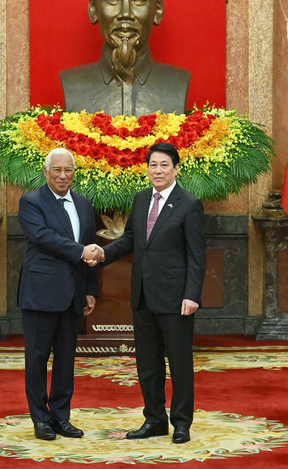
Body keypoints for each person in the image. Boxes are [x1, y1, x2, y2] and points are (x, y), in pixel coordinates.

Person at [97, 142, 206, 444]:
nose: (157, 171)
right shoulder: (141, 199)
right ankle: (154, 419)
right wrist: (100, 254)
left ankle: (181, 422)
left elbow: (197, 255)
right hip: (143, 295)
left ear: (176, 168)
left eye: (164, 165)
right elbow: (131, 239)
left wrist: (192, 294)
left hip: (176, 299)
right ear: (147, 169)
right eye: (153, 165)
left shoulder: (189, 203)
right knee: (147, 363)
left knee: (180, 362)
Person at [17, 148, 103, 440]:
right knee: (38, 358)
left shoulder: (83, 203)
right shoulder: (31, 202)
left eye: (68, 170)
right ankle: (40, 419)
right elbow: (43, 237)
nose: (63, 176)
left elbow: (90, 244)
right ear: (46, 172)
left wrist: (91, 289)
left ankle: (61, 417)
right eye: (57, 170)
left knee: (66, 359)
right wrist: (81, 251)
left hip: (73, 294)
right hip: (41, 293)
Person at [60, 0, 190, 117]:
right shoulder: (72, 83)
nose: (125, 14)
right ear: (93, 9)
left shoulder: (178, 83)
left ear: (157, 10)